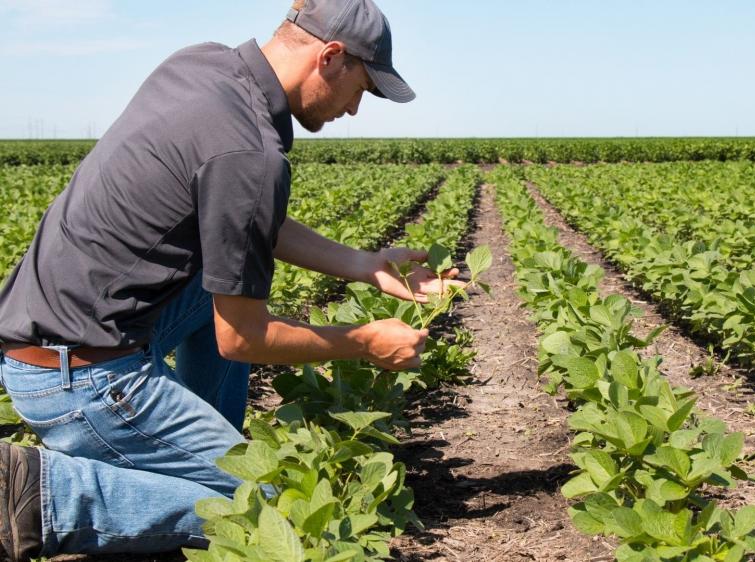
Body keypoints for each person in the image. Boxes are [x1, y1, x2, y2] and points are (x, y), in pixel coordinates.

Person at [0, 0, 456, 559]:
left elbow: (241, 218)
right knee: (269, 514)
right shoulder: (251, 153)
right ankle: (47, 492)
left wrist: (365, 264)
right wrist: (363, 342)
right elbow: (240, 338)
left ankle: (195, 448)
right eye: (362, 87)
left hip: (50, 336)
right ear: (331, 58)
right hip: (81, 380)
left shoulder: (203, 65)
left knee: (215, 281)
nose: (356, 109)